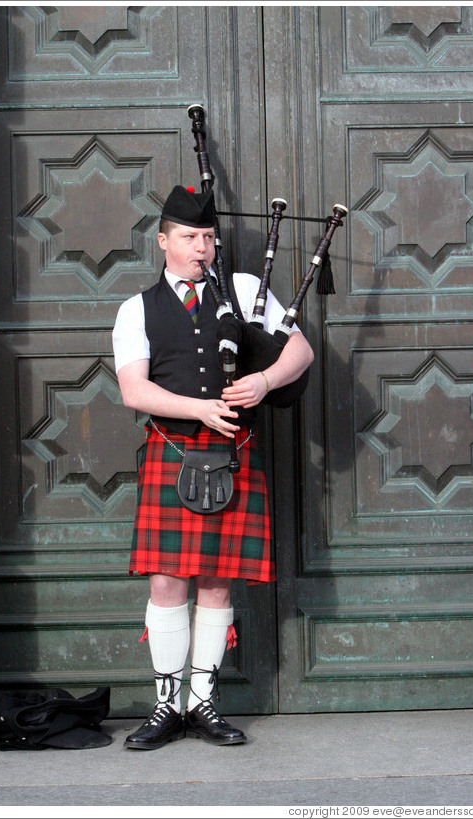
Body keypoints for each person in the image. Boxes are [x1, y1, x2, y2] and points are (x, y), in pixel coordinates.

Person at [112, 185, 314, 750]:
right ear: (163, 242)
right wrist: (199, 408)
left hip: (234, 456)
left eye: (208, 238)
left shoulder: (244, 289)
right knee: (167, 580)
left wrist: (267, 379)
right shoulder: (137, 308)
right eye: (189, 238)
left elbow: (302, 351)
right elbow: (134, 390)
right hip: (173, 451)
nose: (201, 249)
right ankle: (165, 706)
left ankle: (202, 704)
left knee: (217, 582)